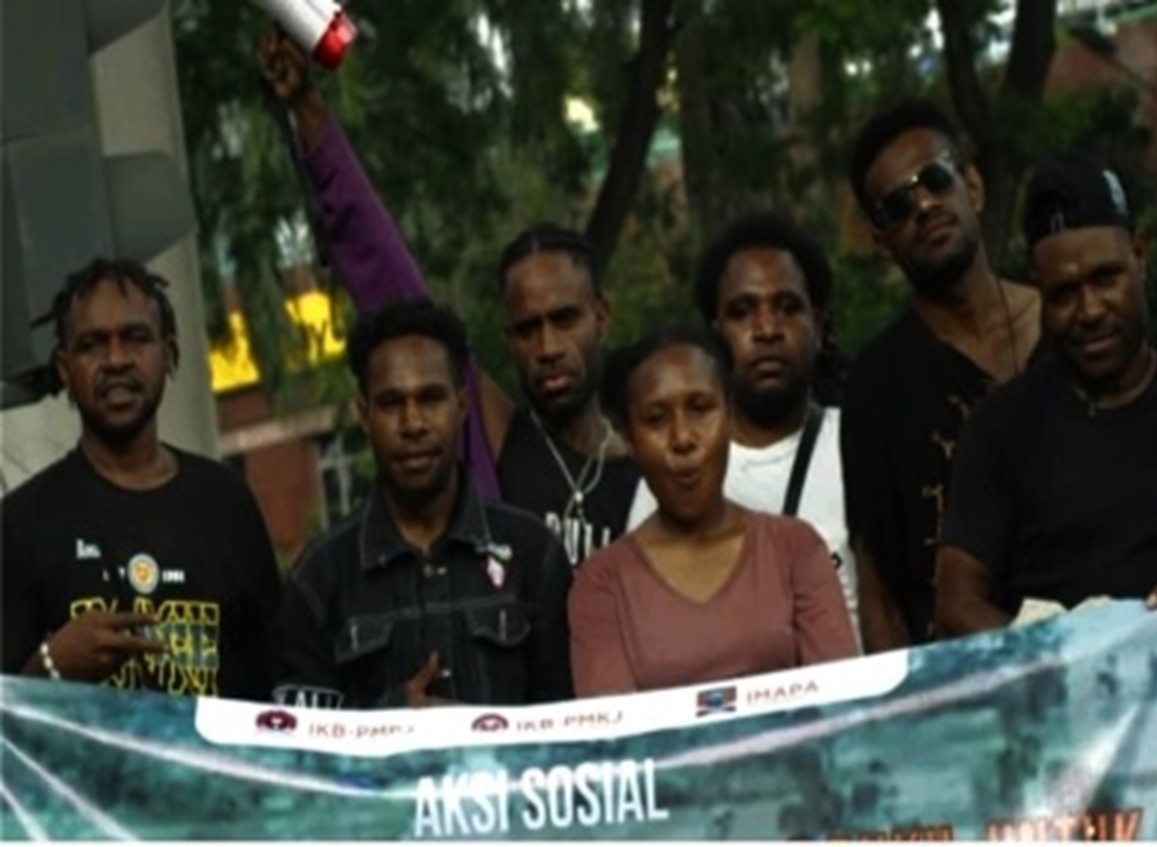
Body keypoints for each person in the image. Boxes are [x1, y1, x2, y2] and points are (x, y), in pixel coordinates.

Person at [257, 31, 639, 565]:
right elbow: (389, 277)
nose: (548, 346)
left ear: (601, 316)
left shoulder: (657, 472)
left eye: (565, 319)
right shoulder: (495, 437)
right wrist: (307, 107)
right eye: (527, 329)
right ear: (508, 338)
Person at [1, 259, 281, 700]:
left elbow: (278, 690)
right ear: (65, 370)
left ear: (169, 353)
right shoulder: (20, 525)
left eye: (135, 337)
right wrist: (52, 667)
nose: (116, 360)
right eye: (92, 344)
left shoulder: (226, 502)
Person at [275, 297, 574, 709]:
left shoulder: (534, 555)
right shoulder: (318, 579)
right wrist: (389, 721)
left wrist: (479, 733)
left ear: (462, 405)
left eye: (431, 399)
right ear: (364, 415)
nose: (413, 424)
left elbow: (569, 727)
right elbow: (299, 743)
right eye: (391, 404)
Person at [841, 100, 1040, 651]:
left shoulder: (1071, 328)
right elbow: (878, 587)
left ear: (972, 186)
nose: (924, 206)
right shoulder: (875, 386)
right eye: (898, 205)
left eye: (935, 179)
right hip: (961, 679)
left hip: (1105, 658)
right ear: (882, 241)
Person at [935, 151, 1157, 635]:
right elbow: (955, 606)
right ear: (1040, 293)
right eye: (1064, 293)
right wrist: (1061, 653)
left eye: (1105, 278)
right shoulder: (1000, 429)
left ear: (1138, 258)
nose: (1090, 310)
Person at [569, 327, 858, 697]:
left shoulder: (795, 550)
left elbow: (839, 705)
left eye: (700, 409)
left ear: (730, 416)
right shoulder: (602, 584)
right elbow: (617, 727)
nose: (683, 438)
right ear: (630, 440)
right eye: (656, 419)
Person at [626, 212, 860, 636]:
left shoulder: (859, 444)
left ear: (819, 324)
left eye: (787, 307)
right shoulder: (677, 466)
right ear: (714, 335)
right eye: (742, 312)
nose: (767, 329)